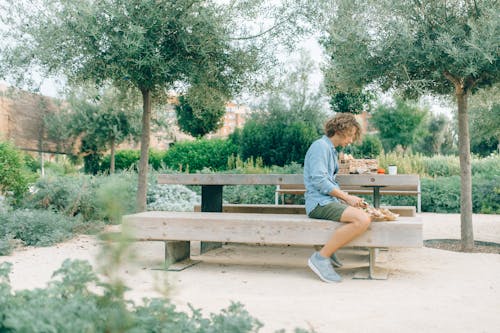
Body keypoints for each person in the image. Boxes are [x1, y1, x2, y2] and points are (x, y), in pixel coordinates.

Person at [304, 113, 371, 282]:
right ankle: (321, 258)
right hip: (318, 204)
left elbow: (328, 181)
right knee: (362, 220)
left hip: (327, 202)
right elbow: (319, 181)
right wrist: (347, 198)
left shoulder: (330, 150)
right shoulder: (320, 147)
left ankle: (328, 250)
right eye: (350, 135)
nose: (351, 140)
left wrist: (346, 200)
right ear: (340, 130)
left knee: (363, 214)